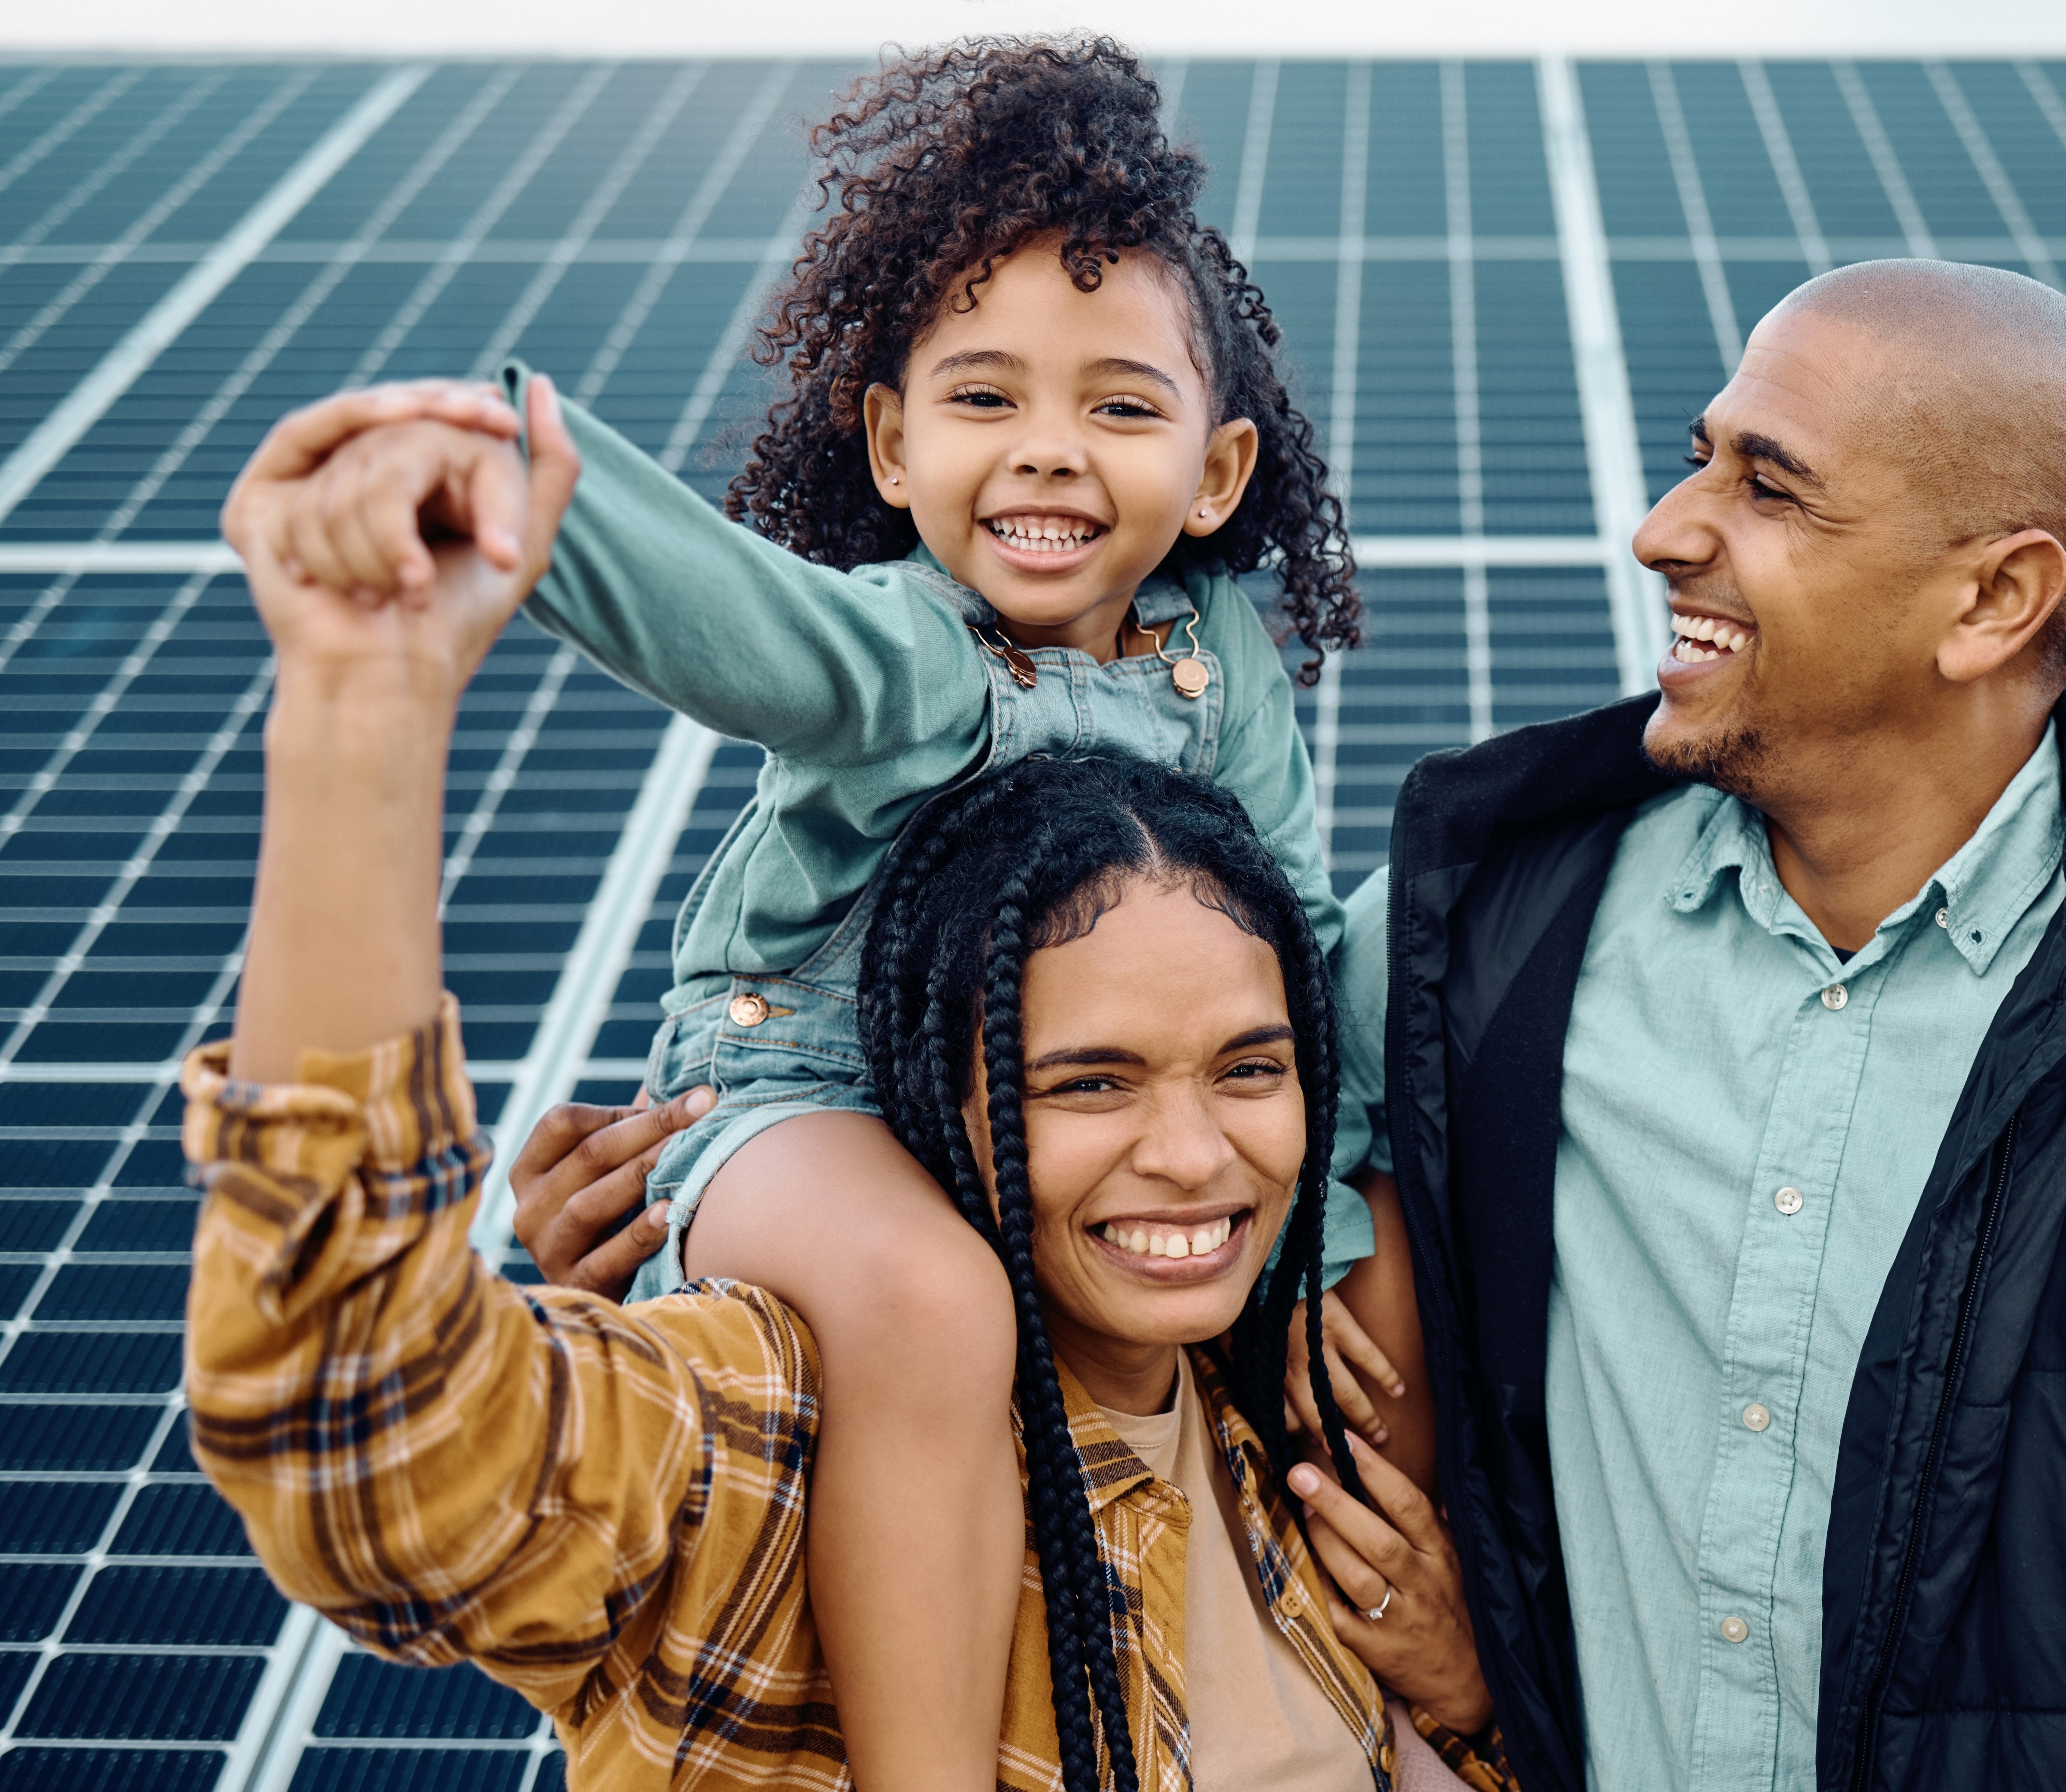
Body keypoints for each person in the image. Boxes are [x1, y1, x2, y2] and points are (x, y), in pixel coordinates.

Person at [232, 38, 1421, 1791]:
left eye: (1118, 405)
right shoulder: (908, 647)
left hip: (1009, 1209)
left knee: (1419, 958)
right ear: (888, 437)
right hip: (789, 1092)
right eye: (984, 397)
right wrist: (523, 491)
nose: (1049, 454)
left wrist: (1320, 1229)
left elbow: (1304, 937)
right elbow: (734, 621)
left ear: (1220, 470)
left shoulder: (1210, 652)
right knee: (933, 1307)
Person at [1324, 260, 2066, 1790]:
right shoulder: (1475, 936)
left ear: (1991, 599)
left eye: (1767, 488)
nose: (1662, 530)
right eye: (1700, 452)